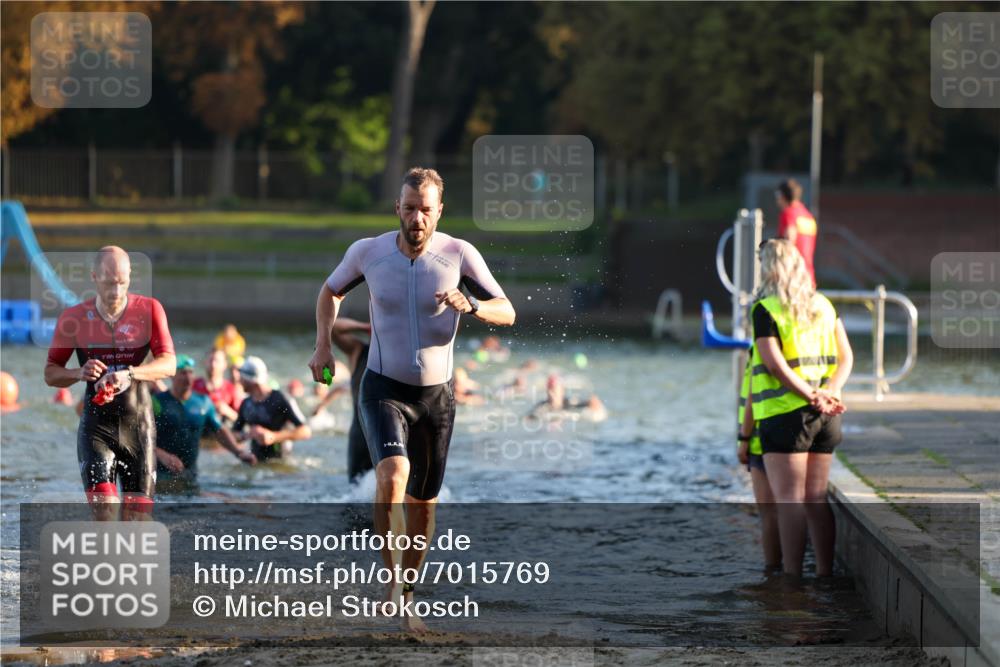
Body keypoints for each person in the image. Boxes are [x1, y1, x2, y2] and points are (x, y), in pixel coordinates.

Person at [308, 167, 515, 632]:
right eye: (408, 209)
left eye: (425, 209)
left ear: (439, 211)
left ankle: (408, 591)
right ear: (396, 209)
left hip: (437, 399)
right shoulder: (369, 253)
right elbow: (330, 291)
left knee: (423, 507)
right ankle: (395, 588)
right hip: (383, 388)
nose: (416, 218)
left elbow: (508, 311)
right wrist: (323, 344)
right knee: (392, 473)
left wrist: (474, 305)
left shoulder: (460, 254)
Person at [44, 246, 176, 520]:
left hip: (137, 425)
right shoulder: (74, 319)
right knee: (105, 509)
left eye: (122, 283)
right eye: (108, 283)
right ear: (94, 277)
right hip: (97, 429)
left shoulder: (149, 310)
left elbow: (169, 364)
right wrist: (78, 372)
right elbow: (51, 373)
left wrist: (130, 374)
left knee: (136, 520)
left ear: (130, 277)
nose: (116, 292)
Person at [747, 239, 853, 577]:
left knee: (789, 501)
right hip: (825, 417)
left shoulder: (766, 309)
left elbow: (775, 366)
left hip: (784, 416)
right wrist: (829, 392)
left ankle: (791, 582)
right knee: (815, 499)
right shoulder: (823, 304)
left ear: (768, 269)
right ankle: (824, 575)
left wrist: (811, 395)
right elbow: (847, 356)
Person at [153, 354, 256, 494]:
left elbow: (219, 431)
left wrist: (238, 452)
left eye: (191, 373)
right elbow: (139, 436)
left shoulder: (203, 403)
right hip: (159, 476)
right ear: (171, 375)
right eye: (183, 373)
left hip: (190, 475)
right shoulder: (157, 402)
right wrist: (161, 455)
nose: (188, 377)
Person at [737, 357, 781, 570]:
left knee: (769, 513)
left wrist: (744, 438)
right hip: (795, 425)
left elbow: (754, 396)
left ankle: (774, 573)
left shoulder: (761, 345)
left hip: (761, 436)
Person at [234, 356, 311, 461]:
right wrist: (247, 434)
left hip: (281, 462)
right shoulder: (246, 403)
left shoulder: (280, 399)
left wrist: (274, 437)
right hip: (256, 462)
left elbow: (305, 431)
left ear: (251, 380)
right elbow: (234, 434)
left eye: (241, 377)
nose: (239, 380)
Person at [775, 179, 818, 286]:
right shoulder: (808, 215)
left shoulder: (788, 213)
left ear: (782, 196)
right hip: (808, 277)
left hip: (792, 277)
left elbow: (789, 241)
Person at [193, 348, 243, 423]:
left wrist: (227, 411)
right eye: (210, 360)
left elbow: (242, 420)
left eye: (217, 361)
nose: (213, 365)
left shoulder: (231, 389)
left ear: (225, 364)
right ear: (204, 362)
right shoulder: (193, 385)